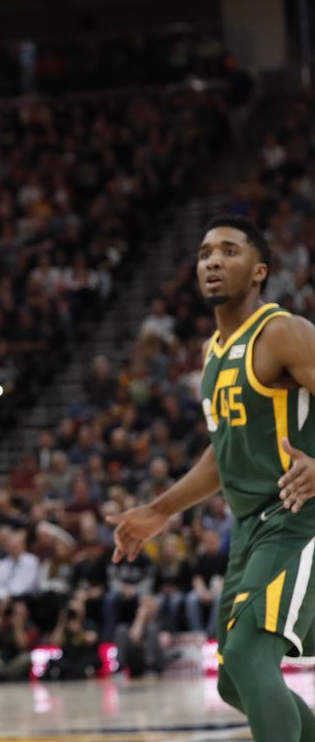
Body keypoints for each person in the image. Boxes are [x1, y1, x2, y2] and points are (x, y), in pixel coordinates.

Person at [110, 216, 315, 742]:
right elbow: (221, 454)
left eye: (229, 251)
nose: (213, 261)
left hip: (298, 519)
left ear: (259, 272)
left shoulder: (283, 332)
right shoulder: (212, 353)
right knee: (232, 679)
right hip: (250, 530)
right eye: (204, 253)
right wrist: (160, 509)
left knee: (250, 655)